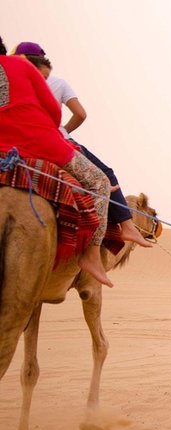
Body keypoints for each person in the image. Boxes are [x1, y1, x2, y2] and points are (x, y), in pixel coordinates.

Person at [11, 41, 152, 248]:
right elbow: (80, 114)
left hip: (13, 142)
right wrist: (64, 131)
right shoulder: (55, 82)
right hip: (52, 140)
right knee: (104, 178)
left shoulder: (11, 79)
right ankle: (110, 236)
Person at [0, 36, 112, 287]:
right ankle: (91, 255)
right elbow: (52, 110)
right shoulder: (21, 66)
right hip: (38, 140)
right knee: (100, 183)